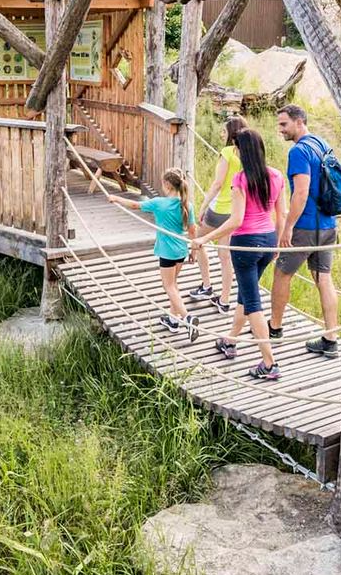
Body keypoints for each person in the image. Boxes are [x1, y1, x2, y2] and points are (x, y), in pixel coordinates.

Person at [192, 127, 286, 381]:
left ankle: (269, 364)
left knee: (253, 304)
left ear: (240, 151)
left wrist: (204, 238)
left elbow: (236, 220)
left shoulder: (241, 180)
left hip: (245, 244)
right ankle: (230, 340)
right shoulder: (276, 176)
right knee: (245, 295)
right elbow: (282, 214)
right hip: (267, 242)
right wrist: (275, 244)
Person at [271, 104, 340, 357]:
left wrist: (287, 227)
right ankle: (331, 339)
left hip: (305, 226)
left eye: (284, 124)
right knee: (324, 278)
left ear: (299, 122)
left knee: (281, 274)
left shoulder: (299, 152)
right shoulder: (322, 144)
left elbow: (300, 193)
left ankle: (275, 329)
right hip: (328, 224)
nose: (280, 130)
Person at [109, 168, 200, 340]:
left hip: (167, 252)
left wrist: (116, 198)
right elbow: (193, 230)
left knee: (169, 286)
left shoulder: (159, 203)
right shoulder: (187, 205)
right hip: (181, 250)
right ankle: (173, 320)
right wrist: (194, 252)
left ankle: (187, 318)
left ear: (167, 185)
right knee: (174, 285)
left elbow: (136, 205)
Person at [191, 115, 248, 313]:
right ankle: (224, 300)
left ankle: (206, 285)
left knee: (198, 241)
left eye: (224, 131)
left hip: (219, 209)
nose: (221, 134)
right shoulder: (248, 155)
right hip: (236, 212)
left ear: (232, 133)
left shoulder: (227, 152)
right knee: (225, 256)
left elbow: (217, 183)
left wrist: (203, 206)